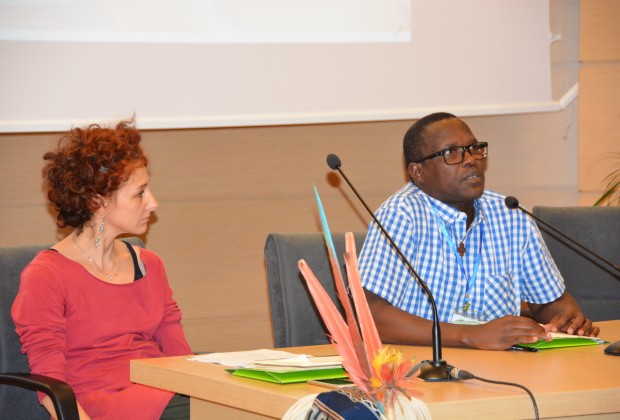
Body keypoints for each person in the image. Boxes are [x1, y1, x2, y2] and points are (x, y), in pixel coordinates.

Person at [358, 112, 600, 351]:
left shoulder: (510, 214)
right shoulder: (401, 214)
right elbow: (369, 314)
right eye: (452, 152)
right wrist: (470, 336)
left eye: (474, 148)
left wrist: (568, 319)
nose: (470, 159)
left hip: (502, 366)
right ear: (417, 172)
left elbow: (550, 300)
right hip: (420, 368)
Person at [11, 120, 193, 419]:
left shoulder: (151, 265)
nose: (153, 203)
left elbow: (181, 358)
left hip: (164, 393)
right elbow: (50, 383)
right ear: (98, 201)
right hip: (101, 403)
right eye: (140, 193)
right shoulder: (46, 275)